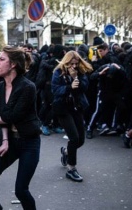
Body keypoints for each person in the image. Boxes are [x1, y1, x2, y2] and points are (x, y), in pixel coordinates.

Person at [0, 46, 41, 210]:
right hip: (11, 141)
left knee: (21, 190)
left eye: (2, 59)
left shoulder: (28, 87)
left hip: (29, 142)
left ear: (13, 64)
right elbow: (4, 119)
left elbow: (14, 115)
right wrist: (5, 141)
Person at [51, 50, 93, 182]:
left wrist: (76, 78)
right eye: (71, 63)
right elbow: (55, 90)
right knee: (74, 138)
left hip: (77, 107)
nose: (74, 66)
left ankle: (67, 152)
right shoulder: (58, 72)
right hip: (63, 108)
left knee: (80, 140)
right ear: (66, 62)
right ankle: (71, 168)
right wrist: (69, 87)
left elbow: (85, 87)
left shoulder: (80, 72)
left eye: (76, 63)